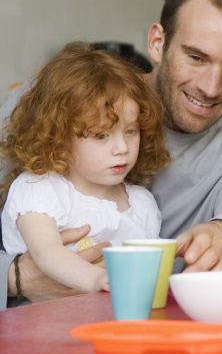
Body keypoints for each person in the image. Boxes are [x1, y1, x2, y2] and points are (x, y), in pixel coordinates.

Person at [1, 0, 222, 308]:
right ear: (157, 41)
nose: (210, 87)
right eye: (196, 57)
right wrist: (14, 278)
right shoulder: (53, 102)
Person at [1, 43, 169, 294]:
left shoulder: (141, 204)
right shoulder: (39, 190)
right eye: (102, 136)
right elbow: (47, 253)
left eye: (131, 131)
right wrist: (97, 280)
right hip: (41, 325)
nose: (122, 147)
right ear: (59, 138)